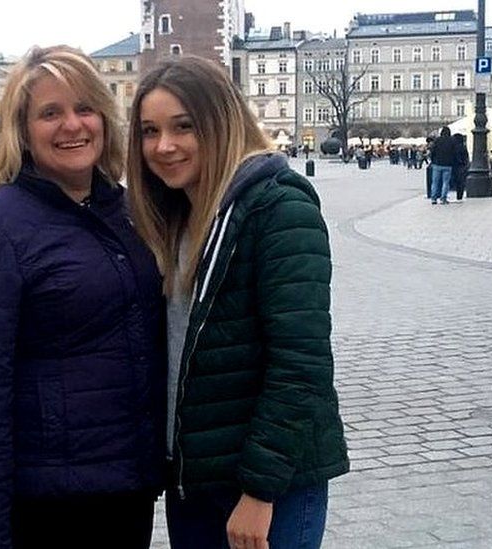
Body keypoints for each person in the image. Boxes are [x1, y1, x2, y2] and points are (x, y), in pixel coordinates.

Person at [0, 45, 165, 549]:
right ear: (22, 130)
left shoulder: (127, 211)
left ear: (105, 119)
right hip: (50, 508)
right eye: (51, 113)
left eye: (85, 108)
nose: (73, 125)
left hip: (125, 489)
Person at [127, 56, 349, 549]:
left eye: (183, 126)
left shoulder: (278, 207)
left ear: (221, 121)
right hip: (197, 476)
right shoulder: (175, 215)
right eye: (148, 131)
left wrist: (259, 491)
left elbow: (301, 363)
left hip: (270, 483)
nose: (163, 146)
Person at [429, 127, 457, 204]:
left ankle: (433, 198)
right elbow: (454, 153)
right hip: (448, 165)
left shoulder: (437, 140)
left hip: (437, 164)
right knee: (446, 182)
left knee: (435, 182)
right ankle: (443, 198)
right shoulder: (452, 140)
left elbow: (432, 151)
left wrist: (432, 160)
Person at [452, 133, 469, 201]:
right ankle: (459, 196)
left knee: (456, 181)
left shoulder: (454, 147)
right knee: (461, 181)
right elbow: (466, 156)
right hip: (462, 166)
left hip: (455, 165)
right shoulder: (463, 146)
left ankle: (458, 195)